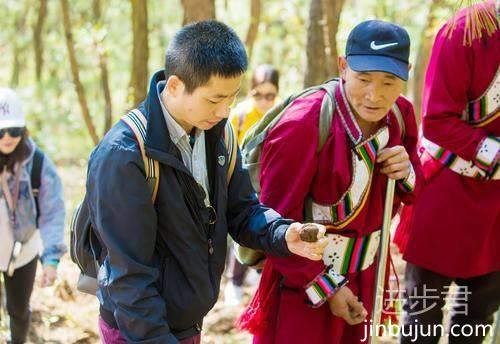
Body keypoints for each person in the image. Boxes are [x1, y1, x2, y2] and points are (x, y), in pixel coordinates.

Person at [86, 20, 328, 344]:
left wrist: (282, 233)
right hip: (138, 330)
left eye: (232, 98)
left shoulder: (220, 133)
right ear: (174, 86)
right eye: (214, 100)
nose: (224, 110)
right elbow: (129, 277)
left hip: (188, 324)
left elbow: (241, 211)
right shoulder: (125, 156)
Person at [238, 20, 423, 344]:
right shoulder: (304, 123)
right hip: (302, 280)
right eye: (363, 78)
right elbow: (276, 224)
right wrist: (329, 289)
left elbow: (413, 187)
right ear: (343, 66)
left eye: (390, 82)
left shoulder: (400, 115)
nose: (375, 95)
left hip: (366, 275)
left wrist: (405, 171)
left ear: (406, 73)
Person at [394, 1, 499, 343]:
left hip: (496, 205)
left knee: (477, 315)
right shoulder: (465, 29)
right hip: (446, 189)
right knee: (422, 316)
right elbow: (437, 122)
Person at [0, 88, 66, 344]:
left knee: (17, 311)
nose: (7, 137)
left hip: (23, 252)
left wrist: (51, 259)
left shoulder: (38, 164)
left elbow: (52, 212)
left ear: (23, 128)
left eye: (14, 131)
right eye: (1, 131)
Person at [225, 64, 280, 306]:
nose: (265, 101)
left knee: (264, 229)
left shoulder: (281, 113)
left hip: (269, 183)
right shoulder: (240, 115)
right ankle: (234, 281)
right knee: (242, 233)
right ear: (250, 92)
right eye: (259, 95)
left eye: (270, 95)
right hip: (243, 183)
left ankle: (258, 274)